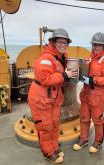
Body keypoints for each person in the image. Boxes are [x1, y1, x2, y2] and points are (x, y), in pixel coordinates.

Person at [28, 28, 77, 164]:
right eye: (60, 42)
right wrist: (64, 75)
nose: (63, 45)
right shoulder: (46, 59)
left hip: (54, 98)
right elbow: (45, 79)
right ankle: (48, 152)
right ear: (53, 43)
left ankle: (54, 147)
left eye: (65, 43)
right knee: (45, 127)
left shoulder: (61, 58)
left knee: (55, 124)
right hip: (41, 98)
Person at [73, 32, 104, 153]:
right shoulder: (89, 58)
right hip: (86, 94)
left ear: (103, 46)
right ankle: (84, 139)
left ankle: (98, 142)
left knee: (97, 119)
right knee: (84, 117)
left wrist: (93, 80)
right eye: (95, 45)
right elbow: (84, 72)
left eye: (99, 45)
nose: (96, 47)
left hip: (98, 95)